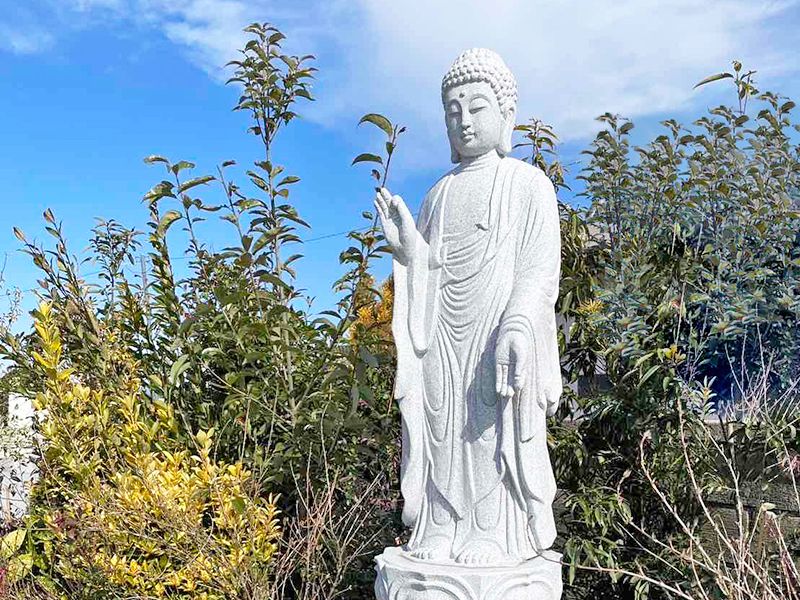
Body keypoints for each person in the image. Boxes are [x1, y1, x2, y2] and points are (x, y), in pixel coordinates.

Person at [375, 48, 563, 565]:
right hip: (441, 330)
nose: (464, 121)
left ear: (506, 115)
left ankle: (490, 529)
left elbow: (539, 269)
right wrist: (409, 248)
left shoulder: (528, 186)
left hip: (495, 328)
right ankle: (441, 523)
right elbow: (429, 268)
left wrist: (519, 325)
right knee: (440, 422)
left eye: (476, 108)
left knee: (487, 427)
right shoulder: (438, 194)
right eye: (452, 112)